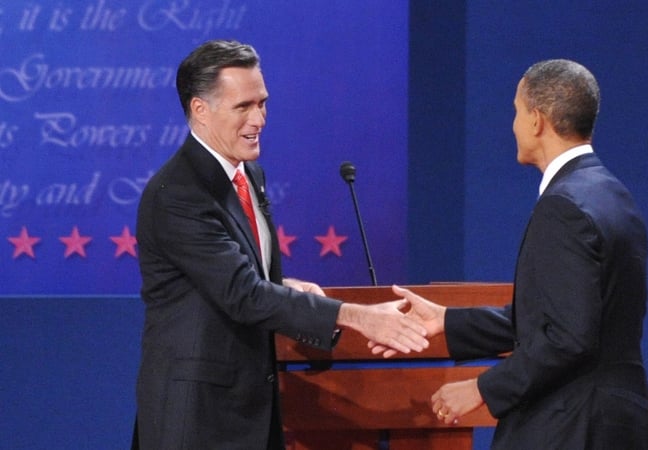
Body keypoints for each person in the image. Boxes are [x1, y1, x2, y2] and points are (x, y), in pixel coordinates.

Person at [132, 39, 429, 449]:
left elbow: (225, 278)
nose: (260, 118)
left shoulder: (249, 175)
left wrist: (284, 285)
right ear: (200, 110)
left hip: (250, 408)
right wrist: (360, 317)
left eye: (263, 103)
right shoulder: (179, 193)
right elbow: (242, 294)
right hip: (197, 420)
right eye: (243, 107)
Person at [374, 59, 648, 448]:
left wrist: (482, 388)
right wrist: (447, 321)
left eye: (516, 111)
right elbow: (562, 318)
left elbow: (567, 338)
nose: (512, 125)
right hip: (620, 422)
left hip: (574, 427)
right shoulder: (614, 196)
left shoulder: (564, 206)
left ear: (537, 120)